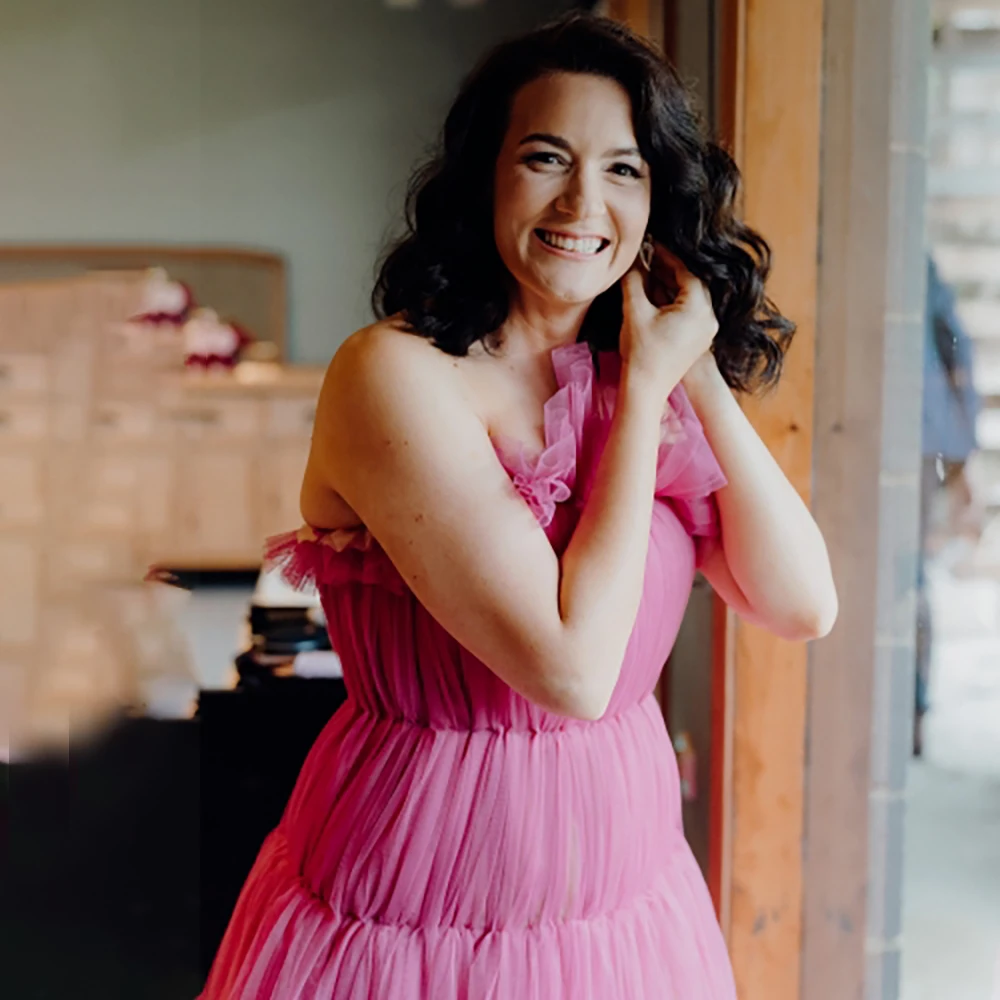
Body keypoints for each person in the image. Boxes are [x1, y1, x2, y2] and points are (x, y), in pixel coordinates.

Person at [200, 14, 837, 998]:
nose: (584, 200)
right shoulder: (397, 378)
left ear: (658, 200)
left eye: (624, 169)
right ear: (482, 176)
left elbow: (799, 604)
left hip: (622, 908)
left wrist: (690, 370)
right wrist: (642, 408)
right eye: (547, 157)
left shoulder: (646, 375)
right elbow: (572, 670)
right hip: (420, 908)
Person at [914, 256, 981, 757]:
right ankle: (913, 715)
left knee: (907, 579)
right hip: (919, 435)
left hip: (917, 435)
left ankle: (914, 711)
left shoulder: (920, 264)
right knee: (908, 578)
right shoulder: (921, 263)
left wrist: (960, 450)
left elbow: (954, 348)